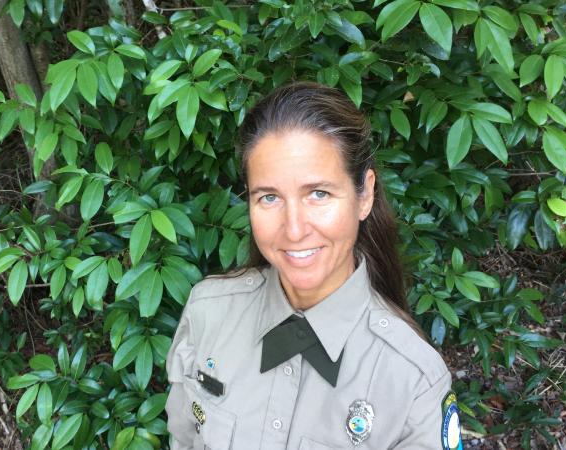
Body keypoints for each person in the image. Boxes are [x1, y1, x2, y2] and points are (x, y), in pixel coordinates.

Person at [164, 82, 462, 450]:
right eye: (269, 197)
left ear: (364, 194)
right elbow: (183, 437)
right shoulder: (208, 312)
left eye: (318, 194)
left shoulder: (413, 381)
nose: (294, 230)